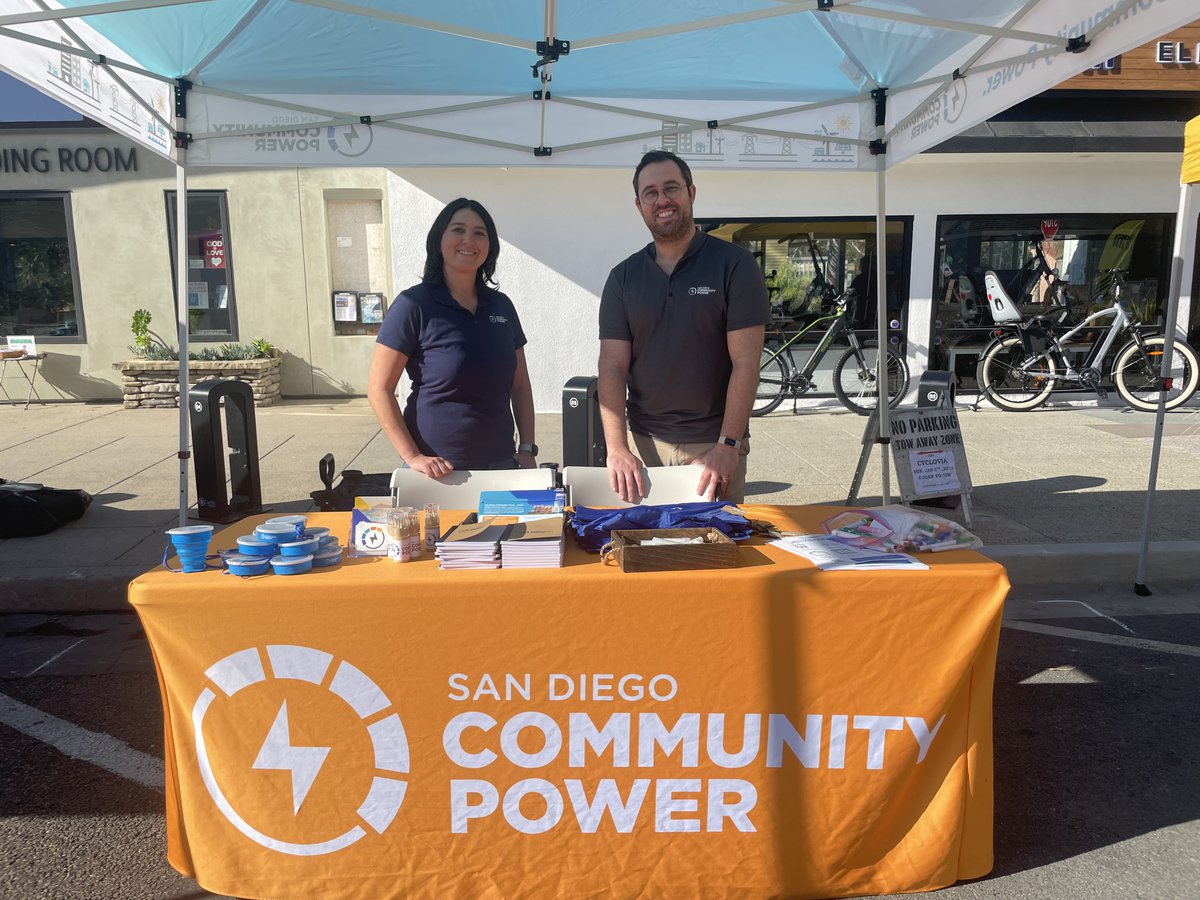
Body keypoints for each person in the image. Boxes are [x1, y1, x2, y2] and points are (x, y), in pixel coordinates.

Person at [598, 150, 770, 503]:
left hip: (714, 445)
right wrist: (617, 447)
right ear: (639, 204)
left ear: (691, 193)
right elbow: (612, 366)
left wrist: (728, 445)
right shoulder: (623, 278)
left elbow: (746, 364)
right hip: (646, 446)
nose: (662, 200)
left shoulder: (733, 266)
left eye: (671, 188)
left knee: (713, 551)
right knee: (651, 549)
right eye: (651, 193)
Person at [367, 198, 537, 476]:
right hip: (438, 472)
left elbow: (520, 384)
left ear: (489, 246)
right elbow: (379, 389)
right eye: (458, 230)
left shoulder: (501, 306)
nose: (468, 240)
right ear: (438, 240)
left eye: (479, 233)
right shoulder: (414, 305)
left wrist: (528, 449)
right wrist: (413, 457)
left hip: (503, 466)